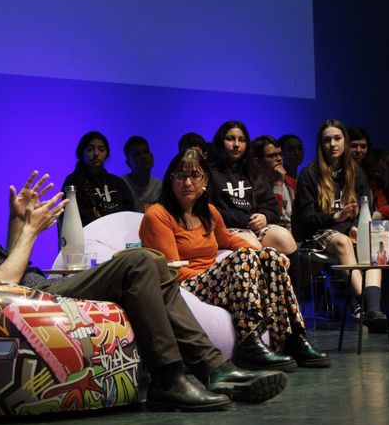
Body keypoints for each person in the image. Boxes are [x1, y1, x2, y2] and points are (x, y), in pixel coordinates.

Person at [0, 136, 287, 412]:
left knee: (152, 264)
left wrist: (17, 222)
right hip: (39, 299)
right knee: (140, 261)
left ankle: (213, 369)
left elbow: (5, 268)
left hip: (40, 290)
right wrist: (29, 233)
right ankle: (171, 378)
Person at [139, 148, 329, 369]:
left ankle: (293, 338)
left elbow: (229, 240)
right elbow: (171, 270)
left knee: (271, 257)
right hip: (183, 284)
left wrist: (265, 255)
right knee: (243, 258)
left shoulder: (208, 212)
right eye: (180, 175)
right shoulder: (158, 215)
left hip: (213, 281)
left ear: (205, 182)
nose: (187, 182)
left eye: (195, 176)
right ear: (170, 180)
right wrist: (230, 268)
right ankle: (249, 343)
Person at [293, 119, 389, 332]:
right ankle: (369, 307)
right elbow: (306, 217)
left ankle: (373, 310)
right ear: (321, 144)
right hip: (320, 232)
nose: (333, 144)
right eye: (327, 140)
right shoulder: (310, 174)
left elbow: (366, 206)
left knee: (376, 243)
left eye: (337, 138)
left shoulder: (355, 172)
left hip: (349, 230)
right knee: (344, 242)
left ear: (344, 141)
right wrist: (335, 218)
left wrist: (355, 226)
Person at [207, 121, 296, 255]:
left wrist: (264, 216)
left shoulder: (254, 172)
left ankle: (293, 277)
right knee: (253, 246)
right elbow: (207, 209)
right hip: (226, 228)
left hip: (255, 226)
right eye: (230, 139)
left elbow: (272, 207)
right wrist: (246, 219)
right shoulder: (208, 172)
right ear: (220, 141)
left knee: (285, 239)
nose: (236, 144)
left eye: (241, 140)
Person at [60, 131, 134, 226]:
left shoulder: (118, 183)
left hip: (119, 234)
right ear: (81, 152)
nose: (96, 153)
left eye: (101, 149)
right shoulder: (72, 182)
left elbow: (129, 214)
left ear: (107, 154)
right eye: (90, 149)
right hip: (86, 236)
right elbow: (73, 219)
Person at [252, 135, 294, 230]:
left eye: (280, 154)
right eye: (271, 156)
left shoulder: (292, 183)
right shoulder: (252, 185)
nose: (279, 159)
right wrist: (278, 184)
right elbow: (274, 216)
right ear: (258, 162)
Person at [348, 126, 388, 220]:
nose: (359, 150)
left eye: (363, 146)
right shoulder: (338, 173)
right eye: (353, 146)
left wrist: (370, 216)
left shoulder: (371, 173)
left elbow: (386, 207)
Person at [121, 136, 162, 213]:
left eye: (146, 152)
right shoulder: (122, 185)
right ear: (128, 163)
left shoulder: (159, 187)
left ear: (152, 157)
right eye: (136, 155)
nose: (143, 157)